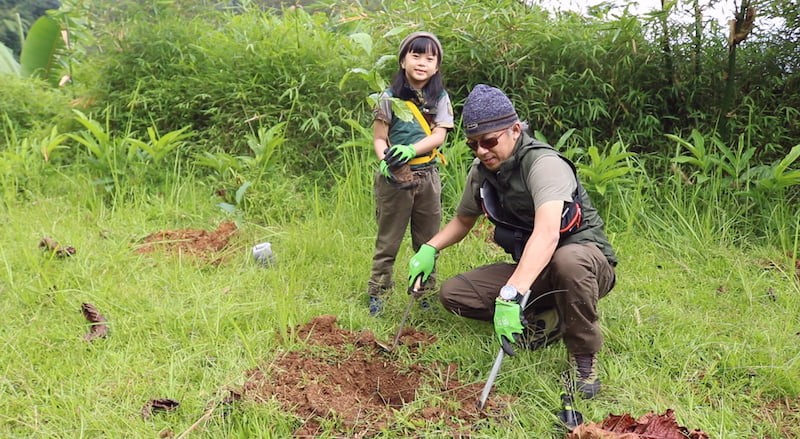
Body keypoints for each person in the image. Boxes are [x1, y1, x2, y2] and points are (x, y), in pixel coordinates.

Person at [407, 84, 617, 398]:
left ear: (515, 130)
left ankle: (583, 362)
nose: (481, 151)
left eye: (489, 141)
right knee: (455, 294)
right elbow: (464, 220)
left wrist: (510, 295)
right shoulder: (482, 171)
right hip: (536, 267)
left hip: (584, 264)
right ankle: (551, 317)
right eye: (473, 145)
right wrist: (430, 247)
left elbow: (547, 235)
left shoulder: (545, 165)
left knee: (568, 261)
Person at [367, 32, 454, 316]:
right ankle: (378, 291)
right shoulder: (388, 98)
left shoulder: (439, 98)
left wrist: (411, 149)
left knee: (428, 240)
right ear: (403, 60)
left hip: (427, 175)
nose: (422, 63)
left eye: (430, 58)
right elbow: (380, 138)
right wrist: (385, 159)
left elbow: (439, 136)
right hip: (395, 177)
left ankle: (424, 292)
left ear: (437, 66)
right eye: (416, 56)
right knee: (388, 239)